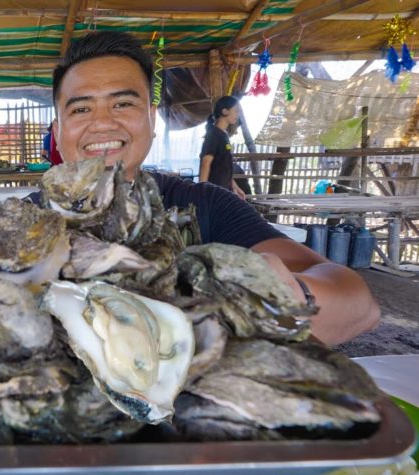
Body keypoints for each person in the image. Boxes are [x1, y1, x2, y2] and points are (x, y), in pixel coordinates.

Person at [48, 31, 379, 345]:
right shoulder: (25, 225)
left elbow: (361, 305)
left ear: (151, 118)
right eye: (81, 109)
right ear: (57, 130)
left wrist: (294, 295)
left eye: (123, 104)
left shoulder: (205, 207)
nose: (103, 122)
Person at [199, 95, 245, 199]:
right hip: (213, 192)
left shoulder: (224, 135)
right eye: (236, 110)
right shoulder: (214, 134)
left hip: (223, 191)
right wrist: (201, 190)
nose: (238, 114)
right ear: (225, 111)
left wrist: (235, 187)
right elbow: (206, 162)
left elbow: (225, 167)